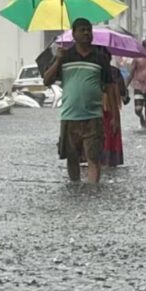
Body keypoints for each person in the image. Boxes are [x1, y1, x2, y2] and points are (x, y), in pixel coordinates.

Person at [44, 18, 119, 184]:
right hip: (70, 116)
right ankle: (76, 189)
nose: (86, 33)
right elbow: (47, 80)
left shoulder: (100, 58)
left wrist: (115, 116)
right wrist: (57, 60)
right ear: (74, 34)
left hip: (93, 117)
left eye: (88, 30)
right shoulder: (64, 56)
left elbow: (110, 87)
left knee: (94, 158)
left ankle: (92, 193)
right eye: (82, 30)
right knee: (72, 159)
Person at [100, 48, 125, 167]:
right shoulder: (115, 72)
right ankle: (111, 159)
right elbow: (123, 91)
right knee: (111, 132)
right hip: (111, 109)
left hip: (98, 109)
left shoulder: (96, 72)